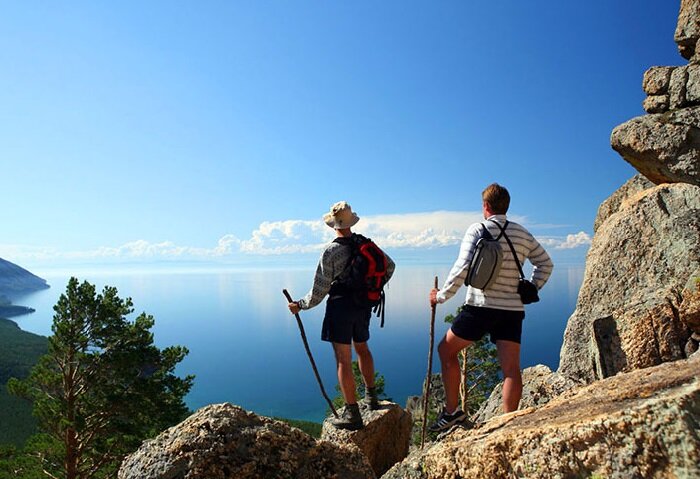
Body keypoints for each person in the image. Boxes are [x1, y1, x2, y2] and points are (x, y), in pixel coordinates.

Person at [428, 183, 553, 431]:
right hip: (512, 311)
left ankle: (452, 412)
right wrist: (532, 287)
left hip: (480, 307)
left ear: (485, 206)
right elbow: (546, 264)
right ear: (506, 205)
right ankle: (508, 425)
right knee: (510, 370)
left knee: (446, 351)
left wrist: (440, 296)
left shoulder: (479, 229)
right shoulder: (522, 233)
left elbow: (462, 268)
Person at [288, 201, 395, 430]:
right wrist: (371, 287)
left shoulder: (331, 252)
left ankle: (352, 413)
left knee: (343, 360)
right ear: (351, 222)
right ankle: (371, 398)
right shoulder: (365, 244)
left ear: (333, 224)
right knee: (363, 349)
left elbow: (319, 291)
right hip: (363, 305)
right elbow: (390, 266)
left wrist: (300, 305)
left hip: (341, 308)